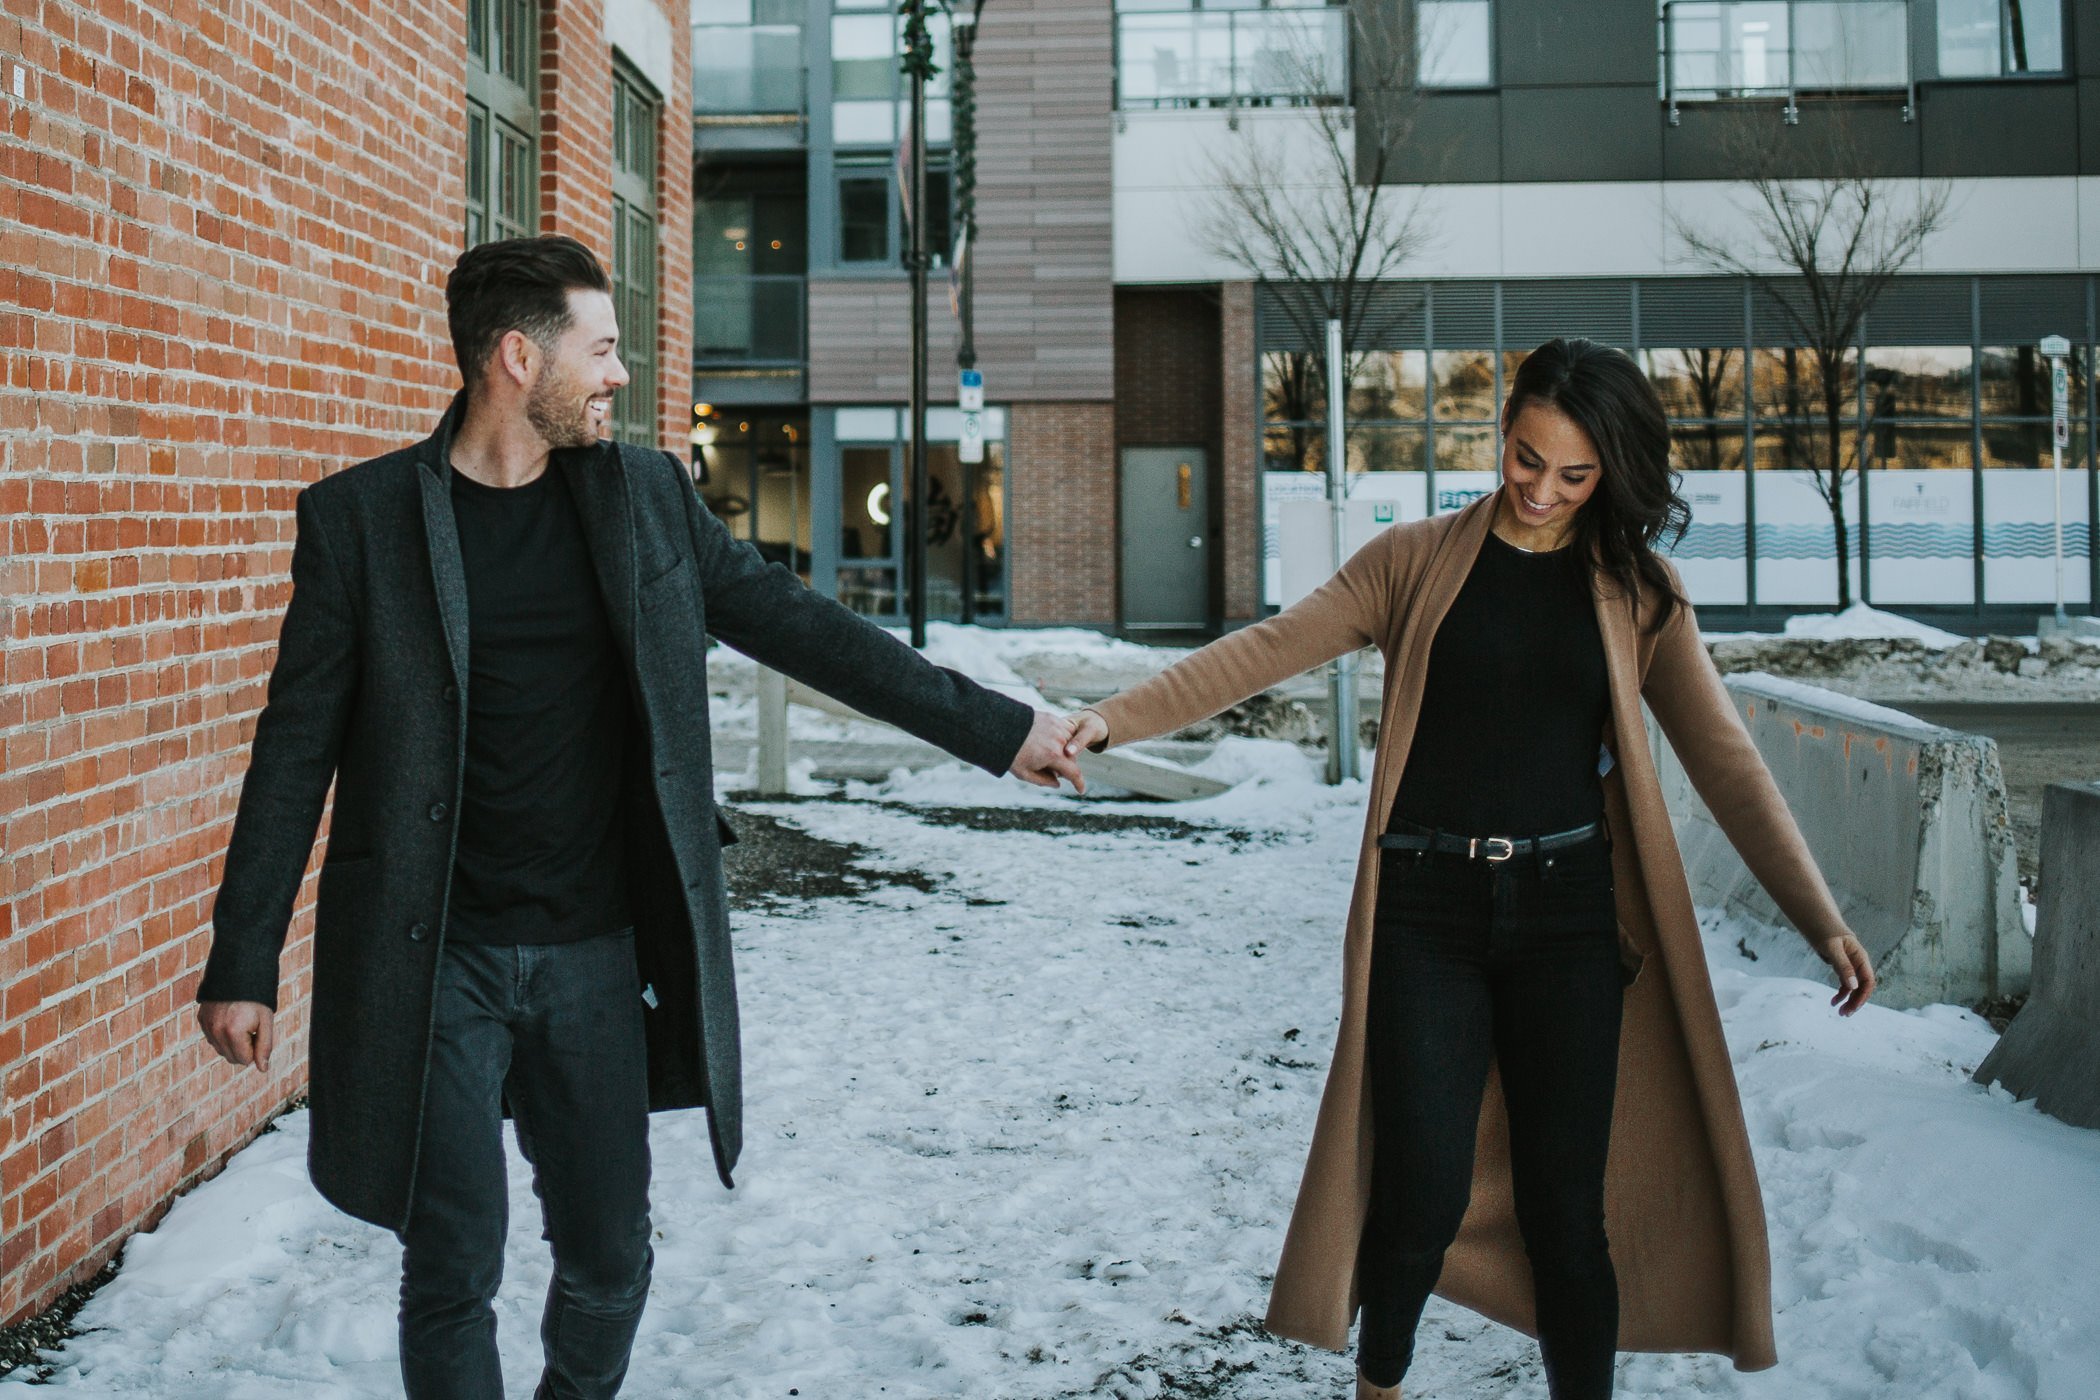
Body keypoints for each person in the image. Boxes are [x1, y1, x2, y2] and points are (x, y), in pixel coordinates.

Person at [194, 234, 1084, 1400]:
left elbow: (801, 625)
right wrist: (241, 956)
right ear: (517, 356)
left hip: (596, 952)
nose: (618, 374)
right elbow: (294, 746)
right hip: (433, 958)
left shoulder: (647, 500)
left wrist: (999, 728)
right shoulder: (362, 524)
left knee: (610, 1260)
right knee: (452, 1262)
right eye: (601, 349)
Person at [1063, 338, 1876, 1400]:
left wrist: (1820, 916)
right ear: (1503, 431)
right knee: (1420, 1193)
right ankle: (1382, 1383)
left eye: (1573, 474)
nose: (1540, 489)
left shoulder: (1636, 589)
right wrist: (1109, 721)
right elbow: (1267, 648)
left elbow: (1726, 760)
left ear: (1613, 473)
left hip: (1569, 921)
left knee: (1566, 1216)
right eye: (1525, 456)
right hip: (1427, 914)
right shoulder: (1414, 561)